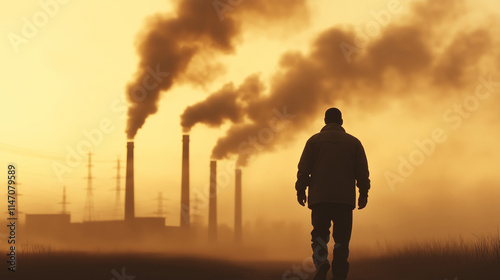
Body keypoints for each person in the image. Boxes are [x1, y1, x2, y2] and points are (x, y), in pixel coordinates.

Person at [295, 108, 370, 280]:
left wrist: (300, 189)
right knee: (342, 240)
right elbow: (362, 171)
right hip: (344, 200)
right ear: (341, 122)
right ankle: (340, 274)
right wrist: (364, 193)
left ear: (325, 121)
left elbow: (304, 169)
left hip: (320, 198)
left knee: (320, 234)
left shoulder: (313, 141)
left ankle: (321, 263)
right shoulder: (354, 143)